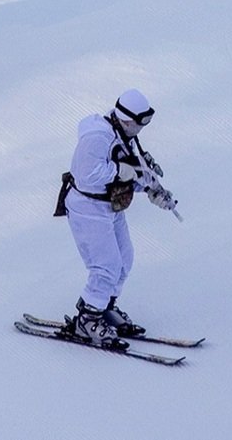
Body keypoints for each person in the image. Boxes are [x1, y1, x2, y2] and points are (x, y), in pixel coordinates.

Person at [53, 88, 178, 345]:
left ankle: (104, 306)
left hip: (111, 206)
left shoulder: (125, 135)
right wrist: (121, 171)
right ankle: (87, 320)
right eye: (142, 121)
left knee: (124, 260)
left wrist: (153, 189)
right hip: (88, 207)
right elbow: (88, 174)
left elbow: (134, 169)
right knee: (106, 266)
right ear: (128, 119)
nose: (144, 127)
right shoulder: (97, 137)